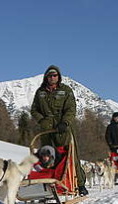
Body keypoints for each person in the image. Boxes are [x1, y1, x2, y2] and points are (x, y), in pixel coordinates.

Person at [31, 65, 88, 196]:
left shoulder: (66, 90)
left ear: (59, 77)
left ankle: (80, 184)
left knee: (69, 156)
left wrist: (65, 122)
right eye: (50, 76)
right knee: (47, 158)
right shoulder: (40, 92)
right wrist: (41, 120)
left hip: (63, 129)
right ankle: (50, 185)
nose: (52, 78)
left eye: (55, 75)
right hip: (46, 129)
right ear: (46, 77)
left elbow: (71, 109)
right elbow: (34, 110)